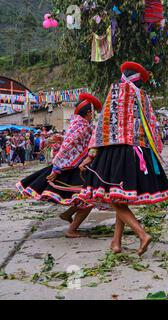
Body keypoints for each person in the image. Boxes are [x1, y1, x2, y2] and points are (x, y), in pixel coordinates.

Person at [78, 62, 168, 256]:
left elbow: (103, 124)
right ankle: (116, 242)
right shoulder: (143, 97)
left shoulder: (116, 91)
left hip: (116, 152)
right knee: (119, 197)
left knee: (112, 197)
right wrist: (155, 153)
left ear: (124, 76)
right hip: (139, 152)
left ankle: (141, 234)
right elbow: (153, 126)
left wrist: (91, 155)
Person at [16, 93, 103, 238]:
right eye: (93, 113)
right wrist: (56, 168)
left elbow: (71, 142)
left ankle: (68, 214)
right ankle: (71, 230)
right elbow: (68, 147)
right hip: (72, 168)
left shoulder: (77, 124)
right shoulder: (83, 127)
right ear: (88, 113)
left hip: (75, 166)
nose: (93, 116)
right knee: (89, 199)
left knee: (83, 196)